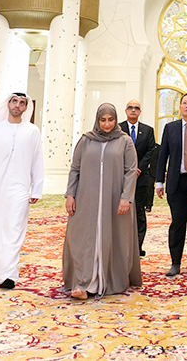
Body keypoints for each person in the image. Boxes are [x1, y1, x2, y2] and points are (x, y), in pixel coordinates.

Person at [63, 103, 142, 299]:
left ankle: (107, 280)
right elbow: (75, 168)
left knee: (112, 239)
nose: (107, 124)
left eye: (111, 119)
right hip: (86, 200)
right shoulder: (86, 140)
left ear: (116, 120)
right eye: (103, 120)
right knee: (83, 239)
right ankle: (83, 282)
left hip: (115, 201)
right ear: (97, 120)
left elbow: (131, 171)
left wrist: (126, 198)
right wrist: (70, 195)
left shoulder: (124, 141)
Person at [0, 92, 44, 289]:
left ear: (25, 107)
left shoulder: (32, 131)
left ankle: (9, 276)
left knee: (14, 231)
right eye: (14, 101)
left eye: (22, 103)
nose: (17, 105)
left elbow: (37, 160)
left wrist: (37, 188)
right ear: (8, 104)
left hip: (20, 189)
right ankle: (0, 272)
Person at [155, 93, 187, 277]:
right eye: (184, 103)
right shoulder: (171, 128)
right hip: (176, 182)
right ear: (180, 106)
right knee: (177, 222)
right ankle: (175, 262)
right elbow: (163, 156)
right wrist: (159, 181)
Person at [120, 99, 156, 256]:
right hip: (121, 177)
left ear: (140, 112)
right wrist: (127, 170)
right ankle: (121, 247)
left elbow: (150, 151)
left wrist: (138, 169)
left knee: (139, 213)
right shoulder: (118, 129)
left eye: (136, 108)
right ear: (126, 111)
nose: (133, 110)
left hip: (141, 179)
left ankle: (137, 247)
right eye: (130, 108)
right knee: (121, 212)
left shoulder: (148, 130)